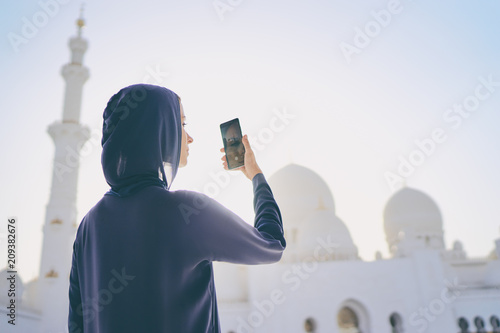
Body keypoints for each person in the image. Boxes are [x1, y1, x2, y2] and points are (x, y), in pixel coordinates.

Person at [68, 84, 286, 332]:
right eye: (182, 124)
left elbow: (76, 323)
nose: (190, 137)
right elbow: (272, 245)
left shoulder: (88, 226)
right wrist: (256, 175)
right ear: (157, 130)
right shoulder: (189, 211)